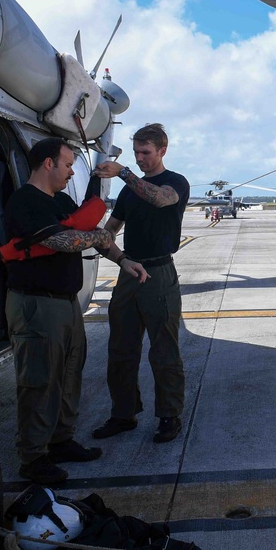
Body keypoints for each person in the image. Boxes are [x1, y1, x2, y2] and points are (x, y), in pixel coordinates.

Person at [3, 138, 127, 484]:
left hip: (66, 303)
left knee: (70, 373)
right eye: (68, 164)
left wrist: (122, 259)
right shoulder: (25, 202)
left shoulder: (58, 201)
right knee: (39, 380)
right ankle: (33, 458)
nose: (72, 170)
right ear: (47, 164)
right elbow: (63, 240)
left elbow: (85, 233)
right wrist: (92, 236)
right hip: (36, 304)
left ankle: (60, 440)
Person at [92, 124, 191, 444]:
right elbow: (109, 232)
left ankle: (169, 416)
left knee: (164, 350)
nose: (140, 158)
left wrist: (123, 173)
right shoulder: (127, 192)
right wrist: (108, 250)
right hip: (129, 273)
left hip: (159, 274)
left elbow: (161, 200)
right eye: (136, 153)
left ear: (162, 150)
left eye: (145, 153)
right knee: (120, 349)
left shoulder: (174, 183)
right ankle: (123, 414)